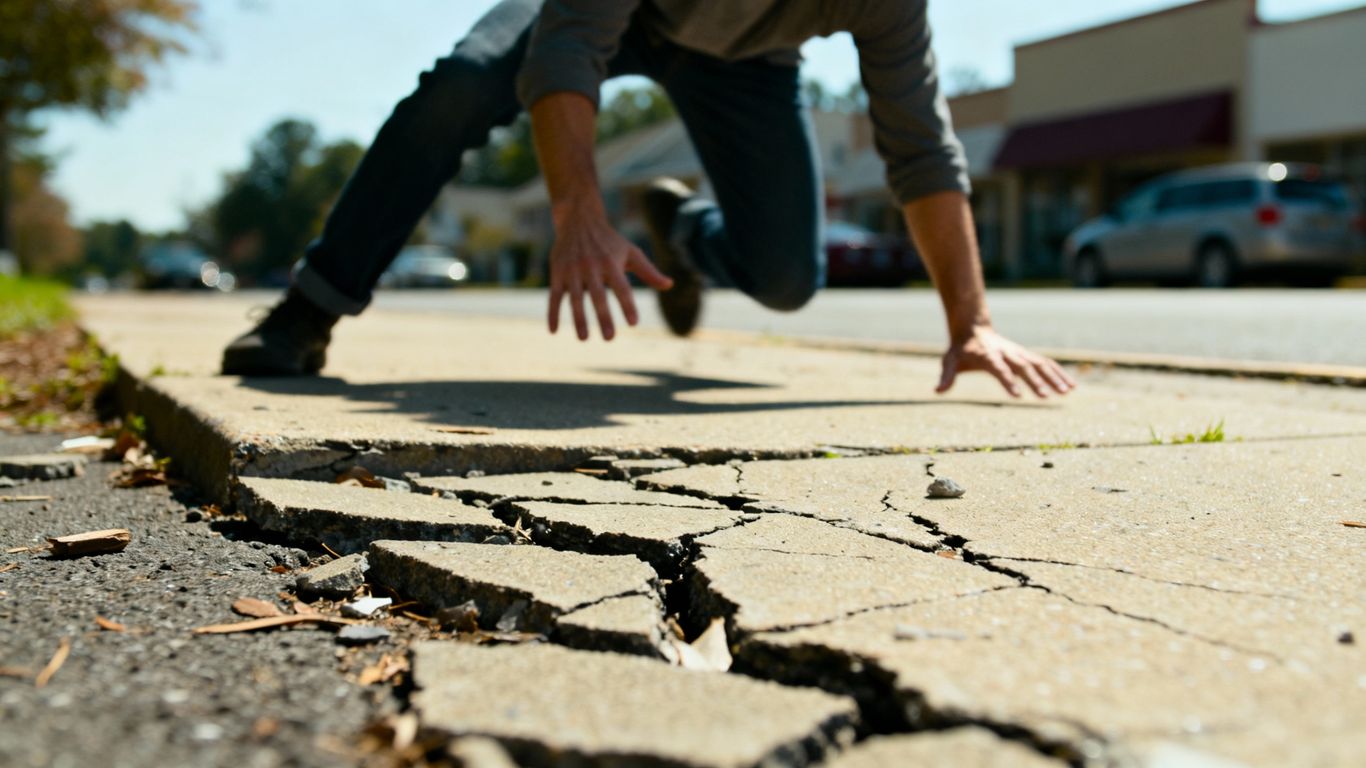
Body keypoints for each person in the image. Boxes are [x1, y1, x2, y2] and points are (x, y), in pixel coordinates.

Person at [222, 0, 1075, 399]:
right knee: (461, 87)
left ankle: (684, 234)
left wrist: (971, 324)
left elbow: (919, 147)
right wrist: (577, 215)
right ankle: (308, 308)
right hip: (607, 15)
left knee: (786, 277)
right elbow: (563, 52)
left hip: (746, 60)